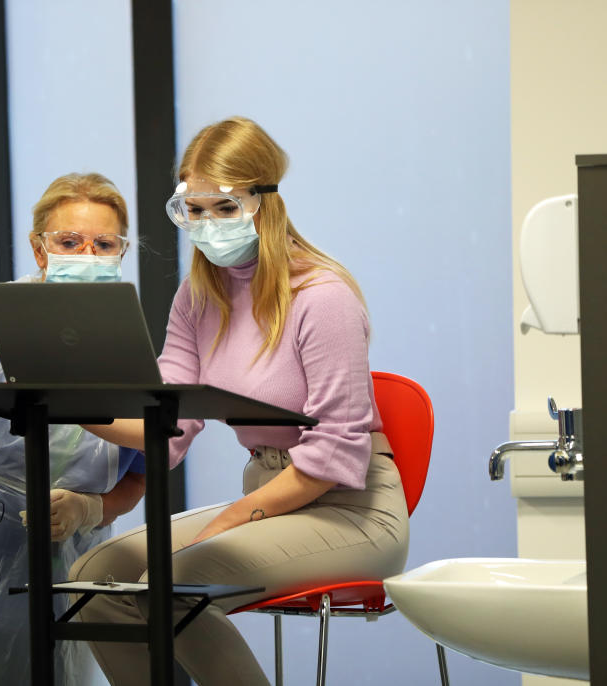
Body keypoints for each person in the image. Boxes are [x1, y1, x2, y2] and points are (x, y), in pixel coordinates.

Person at [69, 117, 410, 685]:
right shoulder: (199, 296)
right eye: (192, 210)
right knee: (95, 579)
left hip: (352, 511)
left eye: (223, 208)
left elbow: (331, 454)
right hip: (269, 499)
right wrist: (78, 404)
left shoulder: (322, 297)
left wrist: (230, 519)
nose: (205, 225)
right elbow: (168, 425)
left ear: (265, 201)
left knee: (174, 587)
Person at [0, 173, 146, 685]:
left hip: (77, 555)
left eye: (103, 244)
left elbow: (142, 472)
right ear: (40, 250)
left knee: (60, 669)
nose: (86, 255)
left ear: (120, 253)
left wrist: (92, 508)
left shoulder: (130, 349)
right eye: (69, 242)